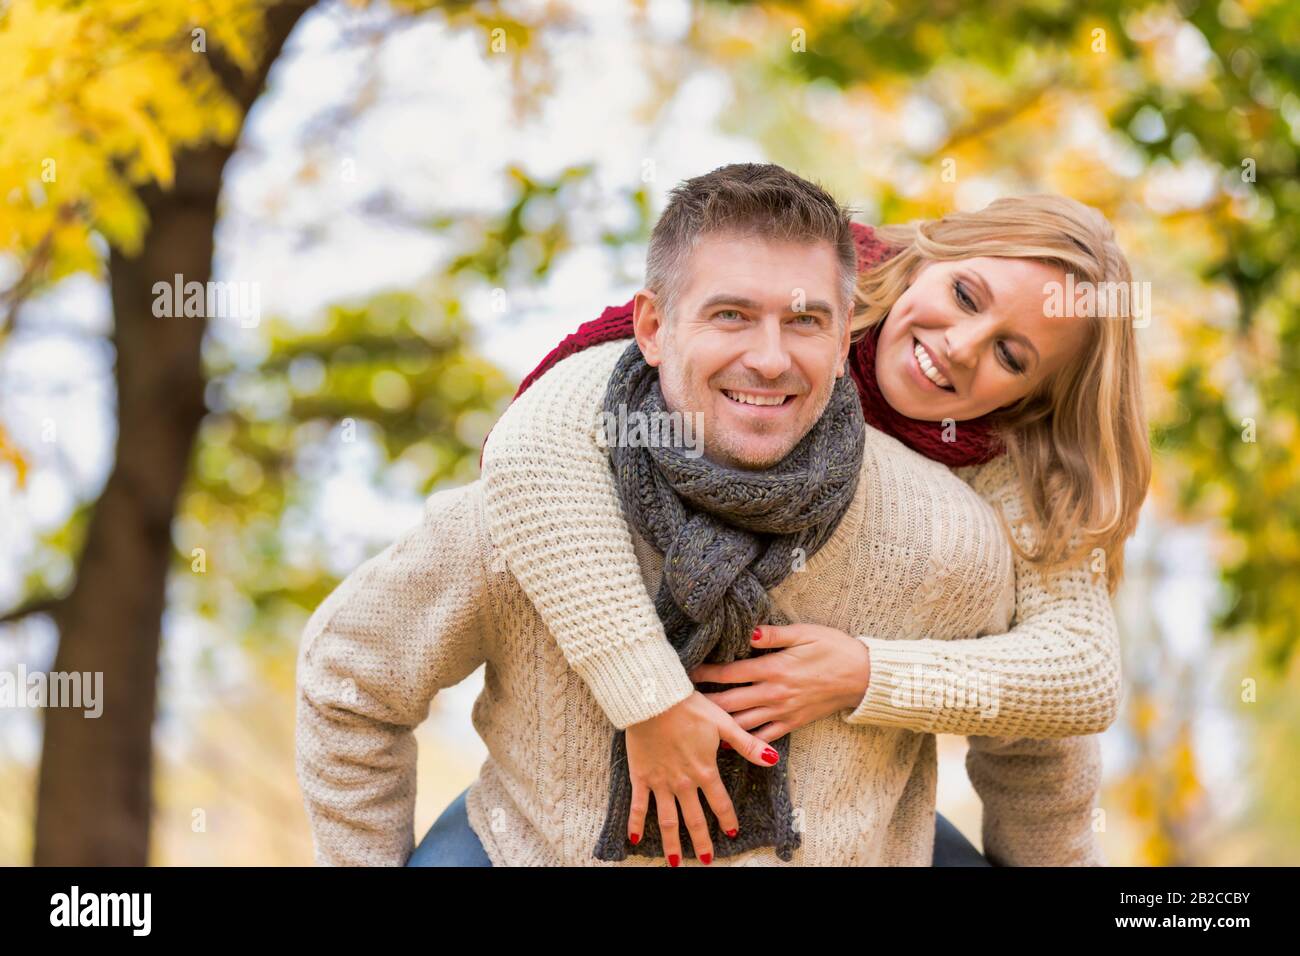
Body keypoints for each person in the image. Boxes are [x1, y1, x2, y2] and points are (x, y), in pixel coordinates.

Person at [297, 164, 1135, 866]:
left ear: (1034, 399)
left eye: (1011, 354)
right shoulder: (737, 322)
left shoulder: (993, 505)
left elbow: (1064, 697)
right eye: (964, 295)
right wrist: (651, 699)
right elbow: (535, 441)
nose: (960, 344)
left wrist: (865, 674)